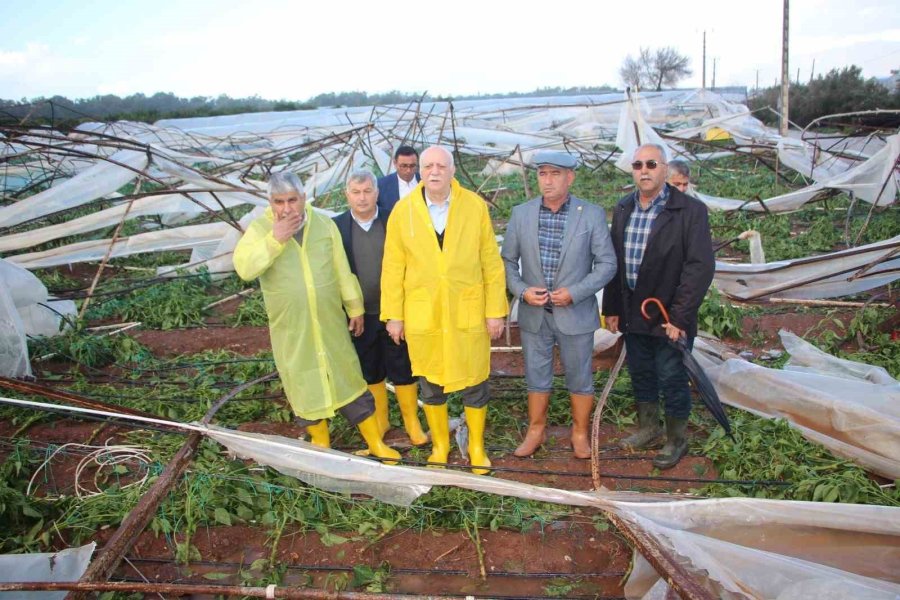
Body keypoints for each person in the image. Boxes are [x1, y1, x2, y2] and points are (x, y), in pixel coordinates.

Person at [233, 172, 400, 462]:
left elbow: (341, 268)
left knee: (348, 376)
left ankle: (375, 442)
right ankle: (320, 443)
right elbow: (245, 268)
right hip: (292, 326)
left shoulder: (323, 224)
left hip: (329, 321)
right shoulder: (261, 230)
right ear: (270, 202)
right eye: (279, 202)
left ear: (304, 198)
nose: (287, 209)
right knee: (303, 382)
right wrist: (275, 239)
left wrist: (355, 307)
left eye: (292, 200)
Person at [381, 146, 508, 475]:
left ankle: (477, 448)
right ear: (419, 171)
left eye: (441, 165)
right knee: (430, 381)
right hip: (425, 312)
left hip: (466, 309)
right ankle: (441, 445)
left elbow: (490, 263)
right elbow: (393, 267)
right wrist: (394, 315)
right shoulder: (403, 211)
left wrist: (495, 310)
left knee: (475, 379)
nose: (434, 171)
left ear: (453, 171)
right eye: (428, 166)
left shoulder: (473, 207)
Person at [602, 144, 715, 469]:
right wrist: (612, 307)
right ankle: (648, 427)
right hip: (634, 311)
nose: (644, 170)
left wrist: (680, 315)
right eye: (637, 165)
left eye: (651, 163)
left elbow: (699, 268)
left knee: (672, 375)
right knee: (642, 372)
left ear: (665, 169)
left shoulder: (689, 211)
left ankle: (676, 438)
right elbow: (616, 262)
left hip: (668, 315)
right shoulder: (624, 208)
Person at [501, 151, 617, 459]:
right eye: (542, 174)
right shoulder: (521, 213)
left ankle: (579, 432)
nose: (547, 181)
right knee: (536, 374)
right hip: (534, 313)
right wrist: (522, 290)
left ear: (570, 177)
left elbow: (607, 264)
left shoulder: (589, 214)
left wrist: (575, 292)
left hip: (574, 313)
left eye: (555, 174)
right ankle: (536, 430)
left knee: (579, 374)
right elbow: (508, 261)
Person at [333, 169, 428, 446]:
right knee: (370, 366)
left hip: (394, 310)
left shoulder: (394, 219)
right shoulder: (338, 227)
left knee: (402, 364)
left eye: (367, 191)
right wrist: (350, 308)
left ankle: (411, 422)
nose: (362, 198)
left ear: (376, 192)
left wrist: (402, 309)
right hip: (360, 314)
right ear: (347, 195)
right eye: (355, 192)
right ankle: (381, 420)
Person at [377, 146, 420, 211]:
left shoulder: (425, 182)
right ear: (395, 163)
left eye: (412, 166)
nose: (408, 170)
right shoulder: (381, 186)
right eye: (404, 166)